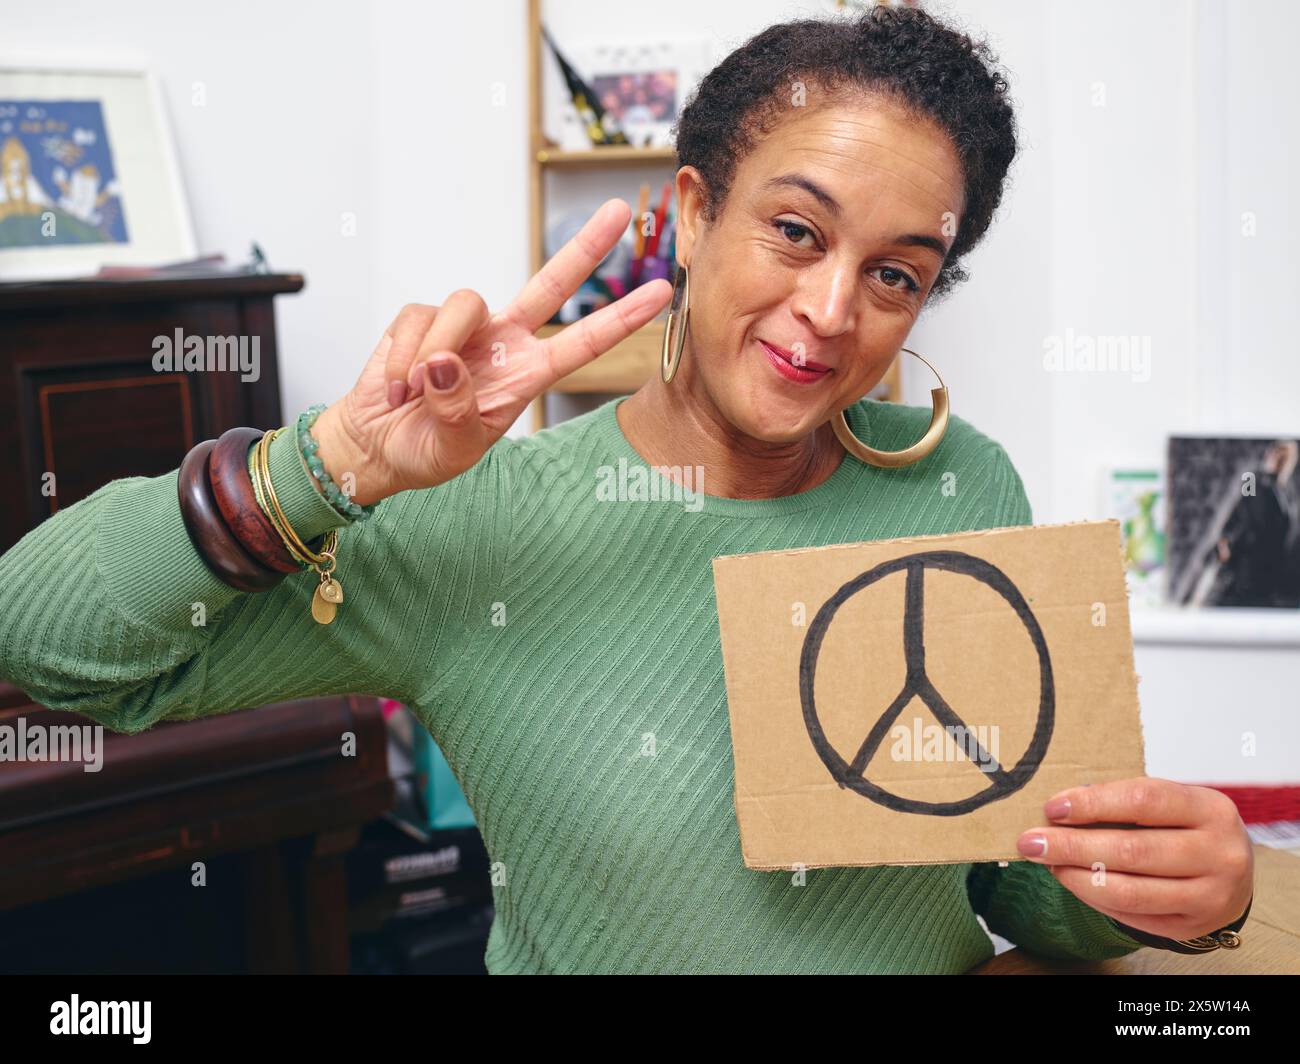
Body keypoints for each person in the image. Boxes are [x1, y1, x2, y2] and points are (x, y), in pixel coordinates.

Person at [0, 6, 1252, 974]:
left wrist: (1147, 885)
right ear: (694, 214)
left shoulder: (960, 480)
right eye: (798, 232)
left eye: (896, 274)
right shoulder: (477, 520)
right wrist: (325, 466)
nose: (828, 312)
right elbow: (46, 647)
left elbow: (993, 877)